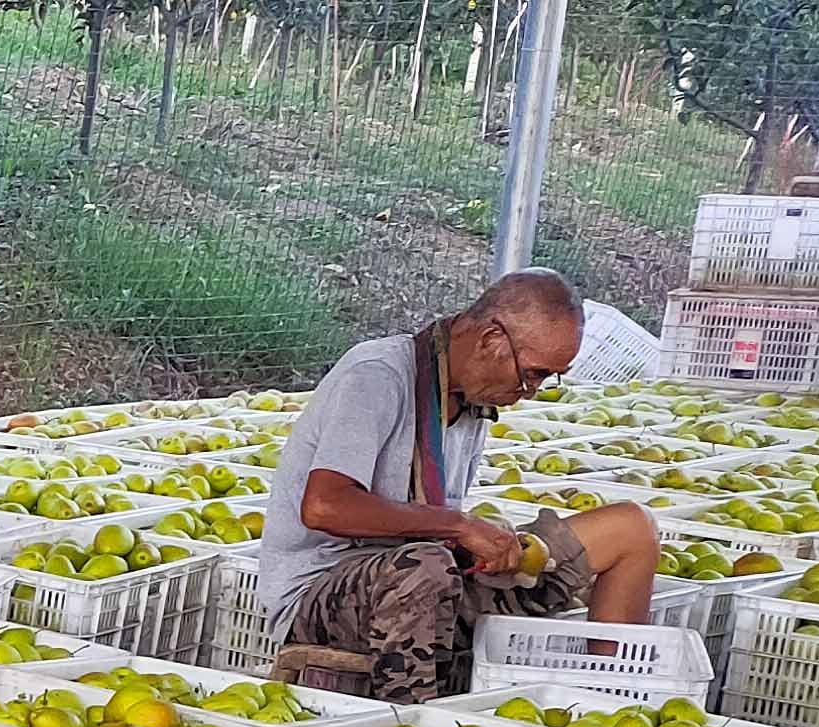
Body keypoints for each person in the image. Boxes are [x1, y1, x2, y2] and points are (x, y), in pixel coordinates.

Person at [263, 269, 659, 703]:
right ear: (491, 338)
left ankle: (610, 704)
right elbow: (324, 507)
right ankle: (408, 725)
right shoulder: (377, 374)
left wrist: (485, 542)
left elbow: (433, 526)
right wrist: (457, 527)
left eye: (548, 378)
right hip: (323, 592)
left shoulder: (471, 403)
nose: (530, 391)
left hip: (427, 571)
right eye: (533, 374)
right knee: (424, 566)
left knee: (630, 528)